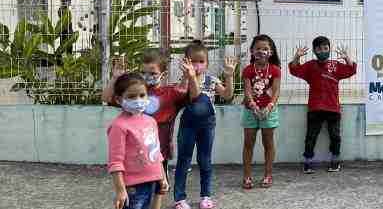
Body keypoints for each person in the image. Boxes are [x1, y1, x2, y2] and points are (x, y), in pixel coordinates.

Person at [103, 51, 198, 209]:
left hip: (158, 152)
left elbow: (193, 97)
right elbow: (107, 98)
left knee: (158, 191)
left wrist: (191, 77)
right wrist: (115, 78)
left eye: (152, 73)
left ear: (163, 74)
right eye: (143, 72)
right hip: (134, 161)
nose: (148, 77)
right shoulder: (132, 91)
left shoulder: (170, 93)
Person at [174, 40, 237, 209]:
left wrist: (229, 76)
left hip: (207, 126)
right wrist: (189, 77)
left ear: (207, 63)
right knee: (183, 161)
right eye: (193, 61)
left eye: (201, 61)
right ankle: (179, 198)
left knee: (205, 160)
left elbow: (228, 95)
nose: (197, 65)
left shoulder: (211, 80)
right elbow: (191, 97)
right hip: (188, 125)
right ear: (185, 62)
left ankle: (206, 196)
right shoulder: (183, 82)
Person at [289, 36, 357, 174]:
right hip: (315, 108)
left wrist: (346, 58)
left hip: (333, 108)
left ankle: (335, 161)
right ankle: (307, 162)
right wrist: (297, 57)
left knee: (335, 136)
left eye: (326, 48)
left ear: (329, 49)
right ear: (314, 50)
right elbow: (294, 69)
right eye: (319, 48)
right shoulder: (310, 66)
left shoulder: (335, 65)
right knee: (311, 136)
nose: (323, 51)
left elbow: (352, 70)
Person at [107, 73, 169, 209]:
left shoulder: (151, 122)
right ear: (118, 99)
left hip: (153, 182)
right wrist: (120, 190)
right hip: (133, 187)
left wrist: (162, 177)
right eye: (131, 96)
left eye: (142, 95)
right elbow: (115, 162)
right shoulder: (119, 126)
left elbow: (156, 153)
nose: (138, 100)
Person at [241, 35, 282, 189]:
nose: (261, 51)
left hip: (269, 112)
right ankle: (247, 176)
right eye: (258, 48)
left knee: (268, 143)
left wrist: (268, 108)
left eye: (265, 49)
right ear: (252, 51)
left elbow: (276, 91)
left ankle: (268, 175)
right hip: (250, 112)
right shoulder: (247, 70)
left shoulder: (275, 70)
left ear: (270, 52)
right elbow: (247, 91)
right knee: (248, 144)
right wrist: (254, 107)